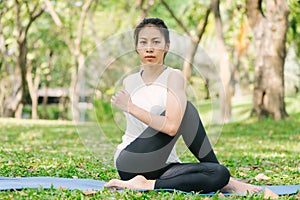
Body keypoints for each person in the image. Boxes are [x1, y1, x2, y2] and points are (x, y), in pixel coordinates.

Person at [105, 17, 262, 194]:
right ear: (137, 47)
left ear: (167, 46)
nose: (149, 48)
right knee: (187, 110)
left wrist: (131, 107)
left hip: (164, 167)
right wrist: (130, 107)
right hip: (131, 161)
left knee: (219, 174)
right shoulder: (129, 82)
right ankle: (230, 182)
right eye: (143, 42)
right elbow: (170, 128)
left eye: (156, 42)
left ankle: (147, 184)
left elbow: (171, 127)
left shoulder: (174, 77)